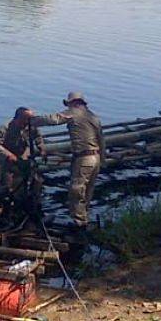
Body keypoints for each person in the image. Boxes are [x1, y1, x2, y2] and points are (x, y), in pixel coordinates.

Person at [32, 92, 105, 228]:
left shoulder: (74, 113)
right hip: (96, 157)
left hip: (84, 158)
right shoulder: (93, 117)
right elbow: (101, 139)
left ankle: (79, 223)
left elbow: (54, 119)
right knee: (87, 190)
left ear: (74, 103)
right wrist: (103, 159)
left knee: (76, 189)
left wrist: (33, 120)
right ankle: (84, 218)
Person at [0, 107, 46, 202]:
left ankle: (33, 194)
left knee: (34, 173)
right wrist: (9, 155)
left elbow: (38, 137)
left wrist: (42, 149)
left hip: (23, 151)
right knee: (7, 177)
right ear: (19, 118)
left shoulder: (31, 125)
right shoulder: (5, 127)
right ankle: (6, 195)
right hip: (8, 154)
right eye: (26, 119)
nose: (28, 122)